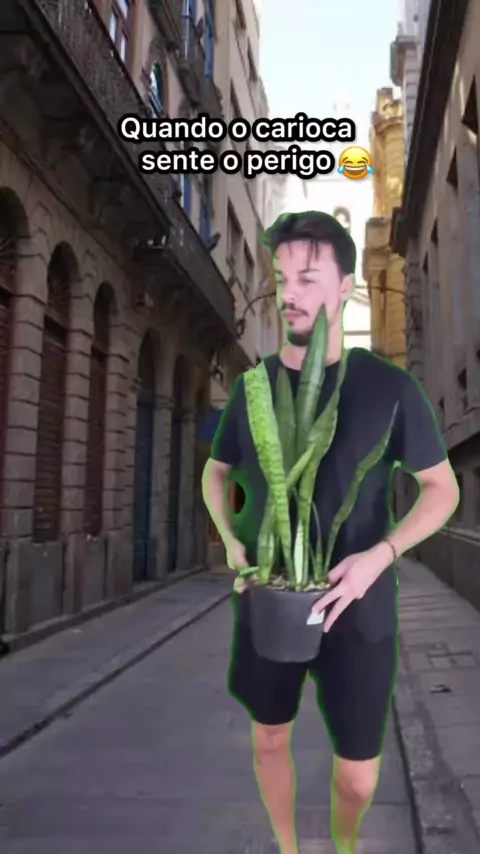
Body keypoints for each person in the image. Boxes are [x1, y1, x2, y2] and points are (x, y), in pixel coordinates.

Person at [201, 211, 459, 854]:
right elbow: (215, 472)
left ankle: (344, 844)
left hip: (359, 604)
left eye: (308, 278)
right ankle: (289, 846)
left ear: (345, 286)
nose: (289, 293)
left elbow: (443, 489)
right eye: (281, 277)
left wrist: (382, 554)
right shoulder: (255, 388)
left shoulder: (389, 387)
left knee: (358, 774)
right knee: (269, 738)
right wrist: (232, 539)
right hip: (271, 598)